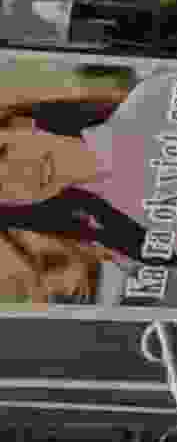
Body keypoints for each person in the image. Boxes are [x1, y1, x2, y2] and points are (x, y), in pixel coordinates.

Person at [0, 84, 151, 310]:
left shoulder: (145, 110)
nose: (21, 172)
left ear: (20, 124)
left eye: (3, 152)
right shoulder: (119, 235)